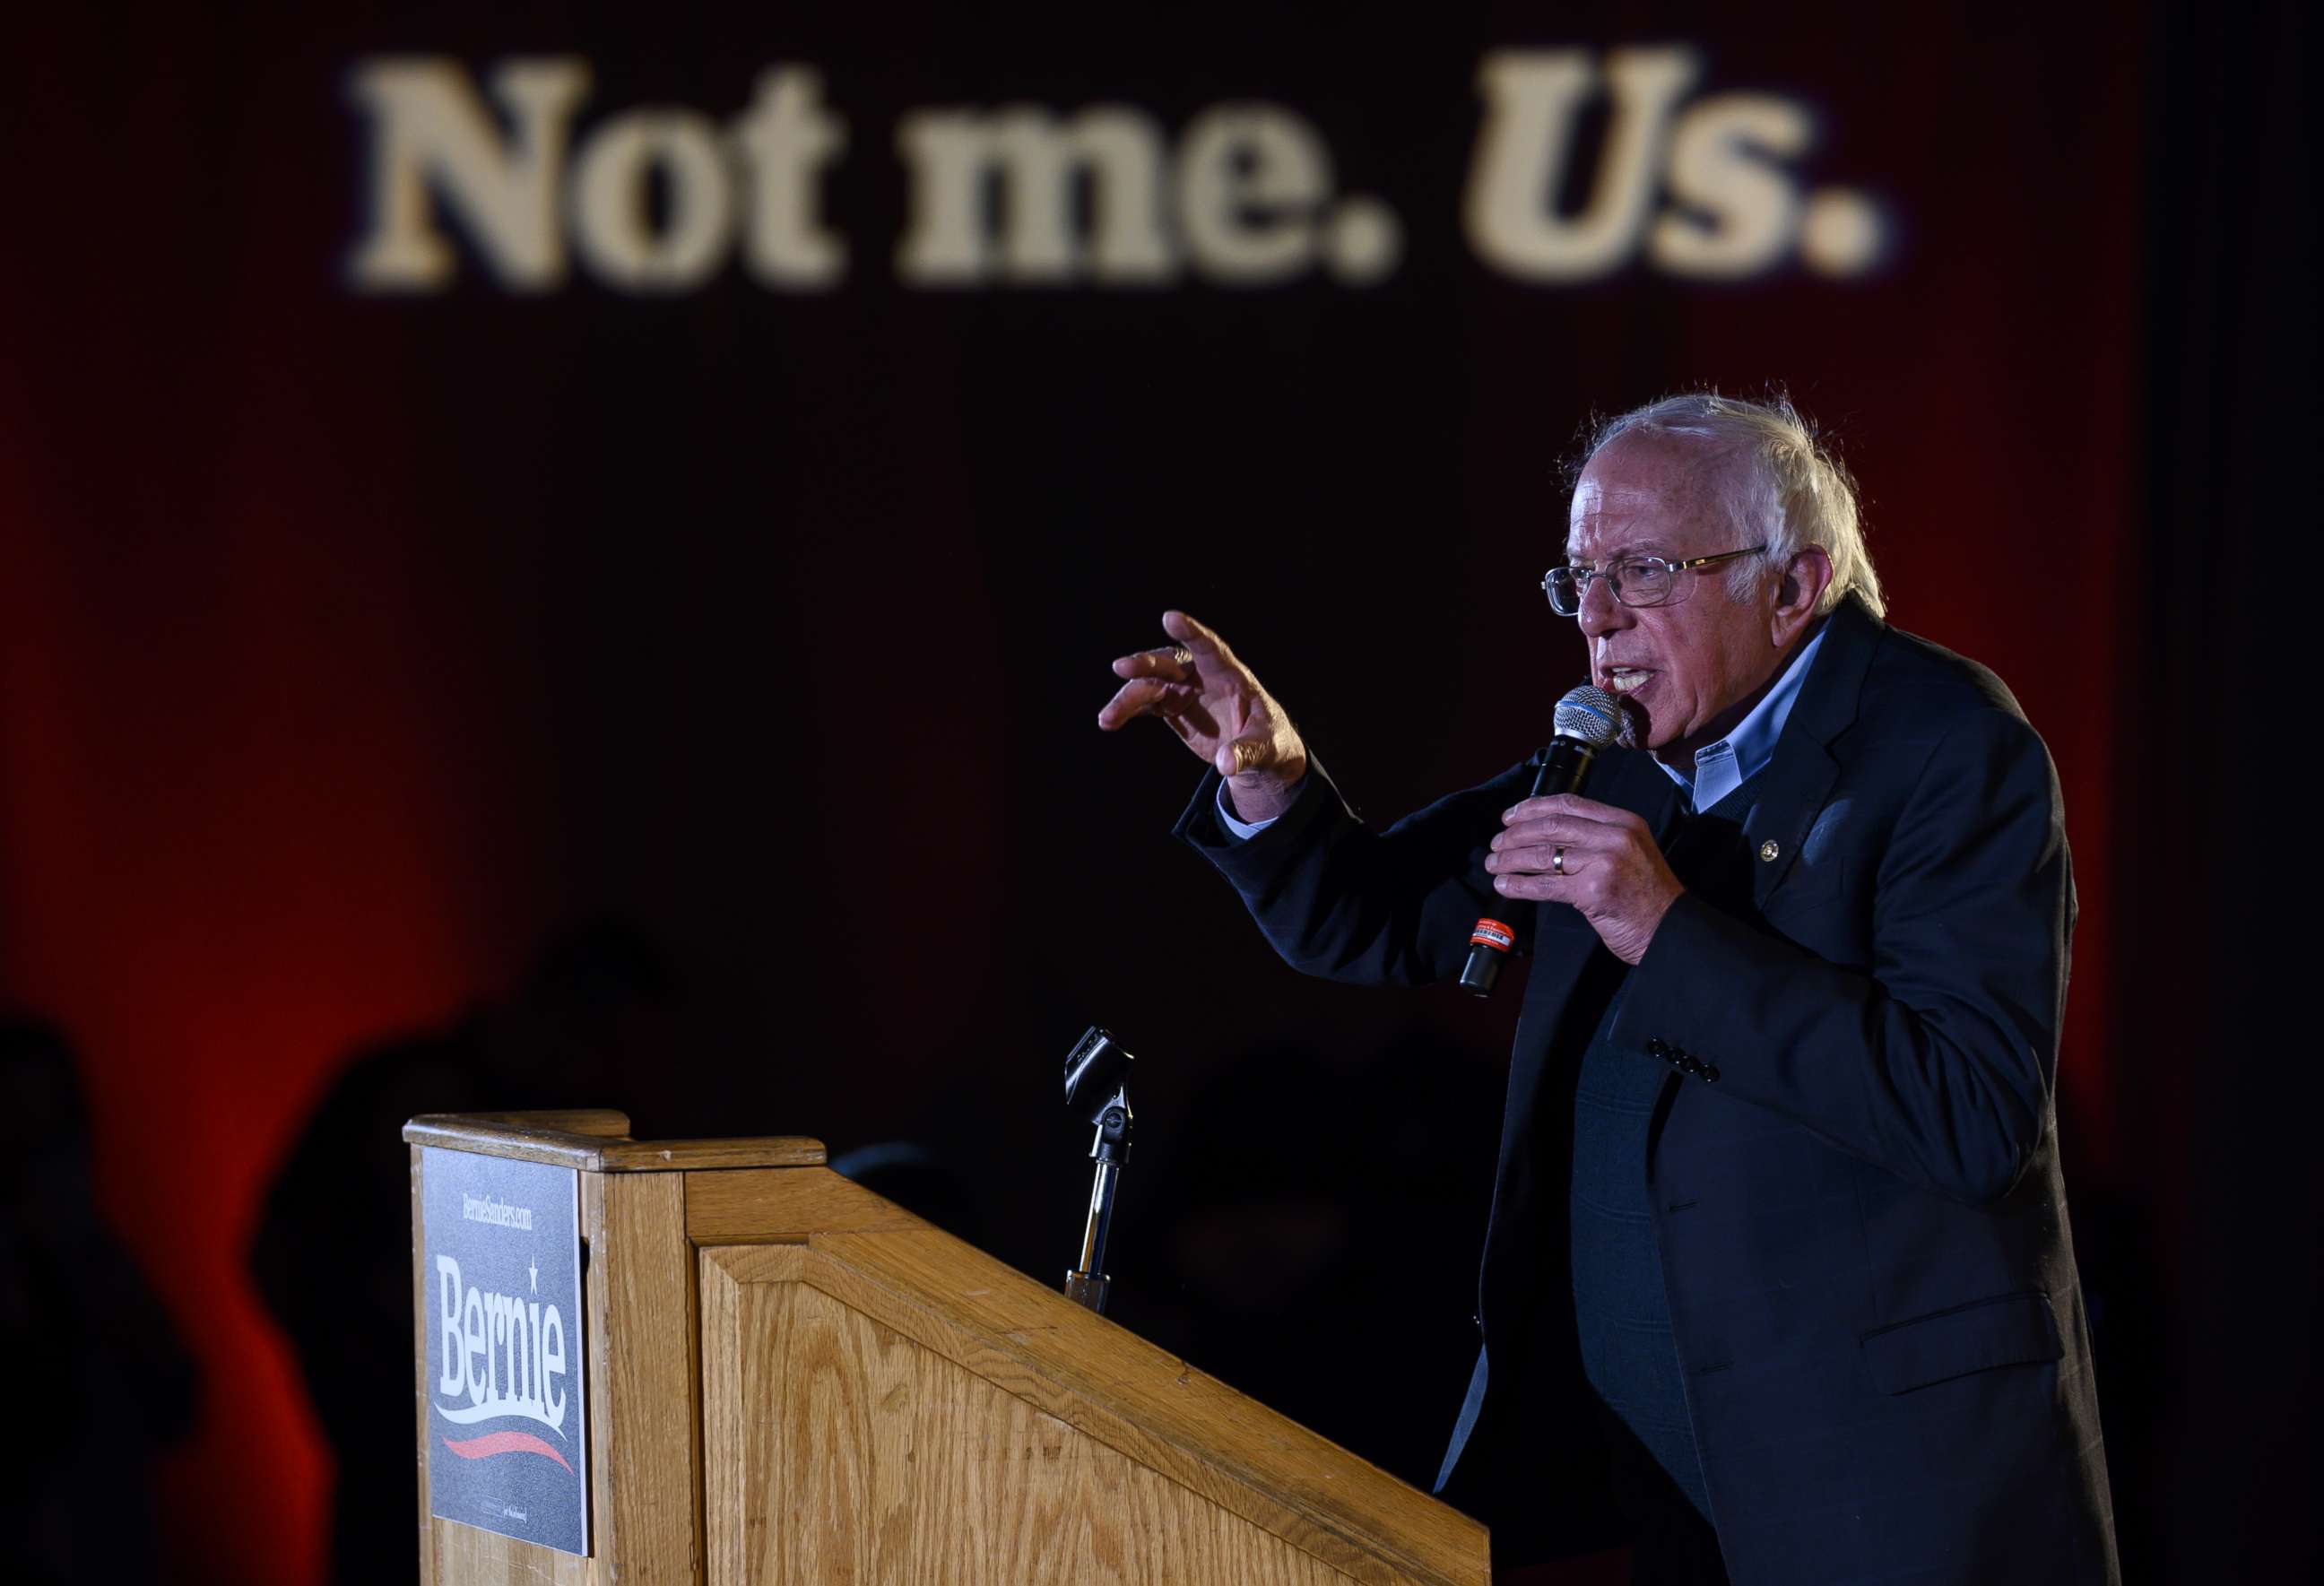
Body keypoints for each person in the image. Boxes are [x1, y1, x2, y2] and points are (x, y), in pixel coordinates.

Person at [1097, 393, 2118, 1585]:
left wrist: (1664, 927)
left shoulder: (1949, 750)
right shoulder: (1617, 756)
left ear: (1795, 587)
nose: (1594, 617)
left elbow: (1970, 1110)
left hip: (1888, 1483)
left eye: (1640, 569)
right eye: (1577, 576)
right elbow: (1375, 914)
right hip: (1666, 1486)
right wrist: (1267, 777)